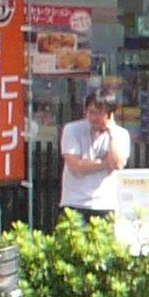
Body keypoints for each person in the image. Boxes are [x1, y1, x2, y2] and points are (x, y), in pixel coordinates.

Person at [58, 88, 130, 228]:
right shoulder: (72, 130)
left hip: (105, 203)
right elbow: (75, 165)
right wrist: (103, 163)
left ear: (110, 115)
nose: (93, 117)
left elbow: (117, 164)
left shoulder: (121, 134)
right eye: (90, 112)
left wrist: (112, 134)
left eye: (99, 113)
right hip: (74, 201)